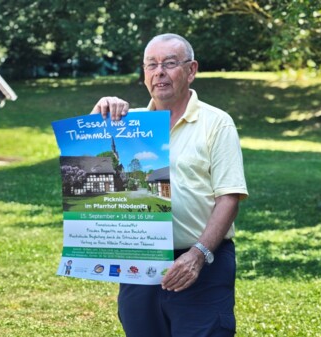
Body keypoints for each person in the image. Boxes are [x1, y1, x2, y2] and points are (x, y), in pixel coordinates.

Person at [92, 33, 249, 337]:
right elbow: (89, 156)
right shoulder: (127, 124)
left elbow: (229, 197)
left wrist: (198, 255)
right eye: (151, 65)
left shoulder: (216, 123)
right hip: (141, 262)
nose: (159, 72)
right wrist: (100, 112)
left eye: (169, 63)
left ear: (191, 70)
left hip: (202, 263)